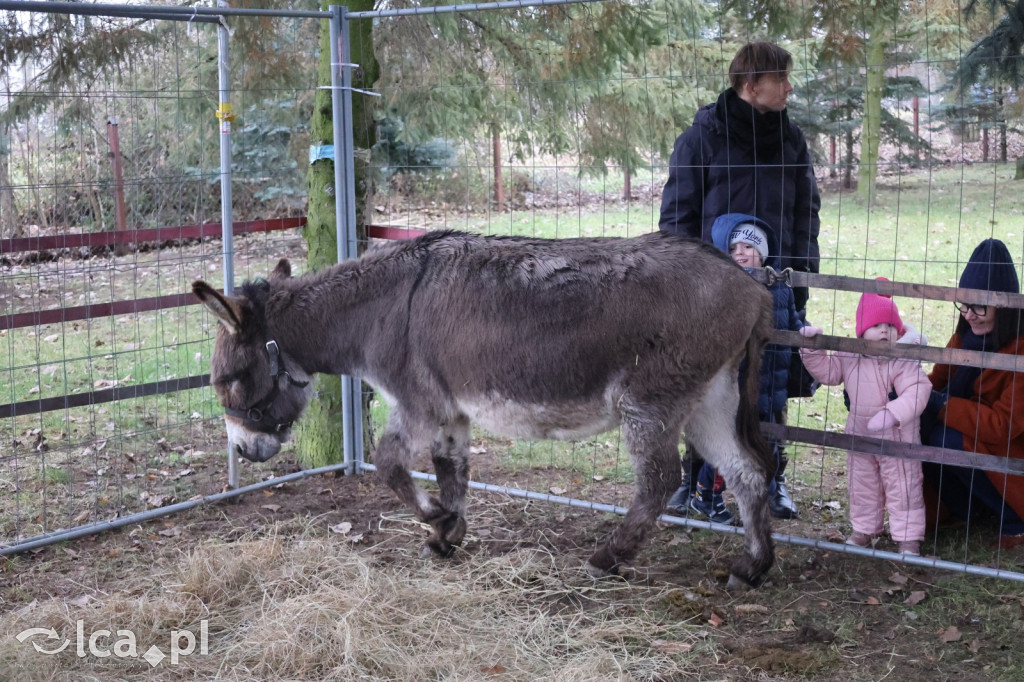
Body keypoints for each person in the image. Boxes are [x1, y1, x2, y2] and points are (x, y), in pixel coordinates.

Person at [661, 41, 821, 518]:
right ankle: (696, 483)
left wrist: (799, 281)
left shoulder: (790, 140)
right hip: (710, 294)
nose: (789, 87)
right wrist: (682, 286)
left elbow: (804, 213)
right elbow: (678, 218)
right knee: (708, 387)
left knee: (769, 384)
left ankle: (772, 480)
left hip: (775, 288)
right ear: (753, 86)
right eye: (781, 79)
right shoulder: (701, 139)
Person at [686, 214, 806, 525]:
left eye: (748, 246)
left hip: (772, 384)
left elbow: (792, 323)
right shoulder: (722, 289)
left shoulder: (781, 287)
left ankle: (762, 498)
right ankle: (706, 497)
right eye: (733, 247)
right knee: (732, 447)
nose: (741, 252)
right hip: (737, 387)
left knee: (768, 445)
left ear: (763, 252)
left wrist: (804, 333)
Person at [800, 290, 932, 554]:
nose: (884, 331)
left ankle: (908, 538)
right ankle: (864, 529)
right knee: (862, 485)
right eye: (876, 325)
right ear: (861, 331)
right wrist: (812, 349)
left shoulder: (902, 361)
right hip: (859, 437)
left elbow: (918, 390)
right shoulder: (850, 356)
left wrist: (893, 413)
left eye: (889, 326)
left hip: (898, 440)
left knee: (904, 487)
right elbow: (828, 372)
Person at [921, 238, 1024, 549]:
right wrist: (889, 393)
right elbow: (935, 382)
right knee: (918, 428)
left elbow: (1002, 427)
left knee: (944, 437)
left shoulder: (1021, 349)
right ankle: (964, 509)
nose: (969, 314)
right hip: (978, 442)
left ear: (1004, 305)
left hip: (1010, 451)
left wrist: (942, 406)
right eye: (963, 303)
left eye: (979, 305)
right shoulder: (965, 337)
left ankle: (1015, 520)